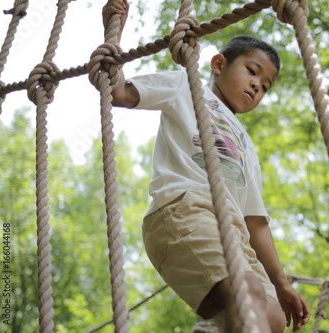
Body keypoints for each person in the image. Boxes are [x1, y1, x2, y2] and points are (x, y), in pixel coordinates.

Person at [102, 1, 311, 332]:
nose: (257, 86)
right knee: (247, 292)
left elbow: (255, 222)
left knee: (272, 318)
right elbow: (120, 93)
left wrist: (282, 282)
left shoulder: (246, 147)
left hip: (234, 232)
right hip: (184, 210)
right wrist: (114, 31)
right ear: (218, 64)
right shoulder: (186, 86)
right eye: (252, 71)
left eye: (266, 86)